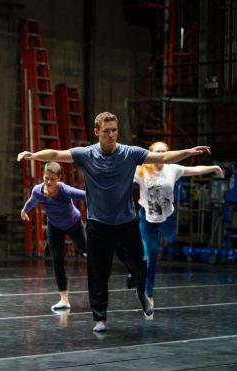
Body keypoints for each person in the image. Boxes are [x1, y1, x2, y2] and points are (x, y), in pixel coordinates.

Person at [18, 111, 211, 333]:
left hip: (126, 223)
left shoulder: (130, 153)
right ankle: (100, 318)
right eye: (107, 131)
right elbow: (56, 153)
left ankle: (143, 295)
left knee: (139, 266)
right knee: (98, 272)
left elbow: (162, 158)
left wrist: (188, 151)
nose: (111, 134)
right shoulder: (86, 154)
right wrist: (33, 155)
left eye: (114, 130)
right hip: (98, 224)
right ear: (97, 132)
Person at [134, 141, 223, 309]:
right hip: (147, 219)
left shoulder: (172, 169)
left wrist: (214, 168)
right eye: (157, 152)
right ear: (151, 153)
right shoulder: (141, 170)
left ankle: (165, 237)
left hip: (167, 217)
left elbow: (194, 170)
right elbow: (118, 174)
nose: (161, 155)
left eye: (164, 152)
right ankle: (149, 294)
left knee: (169, 236)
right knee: (150, 254)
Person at [21, 161, 87, 311]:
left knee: (85, 249)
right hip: (54, 226)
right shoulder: (38, 190)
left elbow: (85, 196)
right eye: (46, 178)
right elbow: (32, 201)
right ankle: (64, 299)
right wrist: (24, 210)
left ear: (59, 178)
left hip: (73, 223)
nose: (49, 182)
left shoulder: (64, 190)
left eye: (52, 179)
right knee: (57, 260)